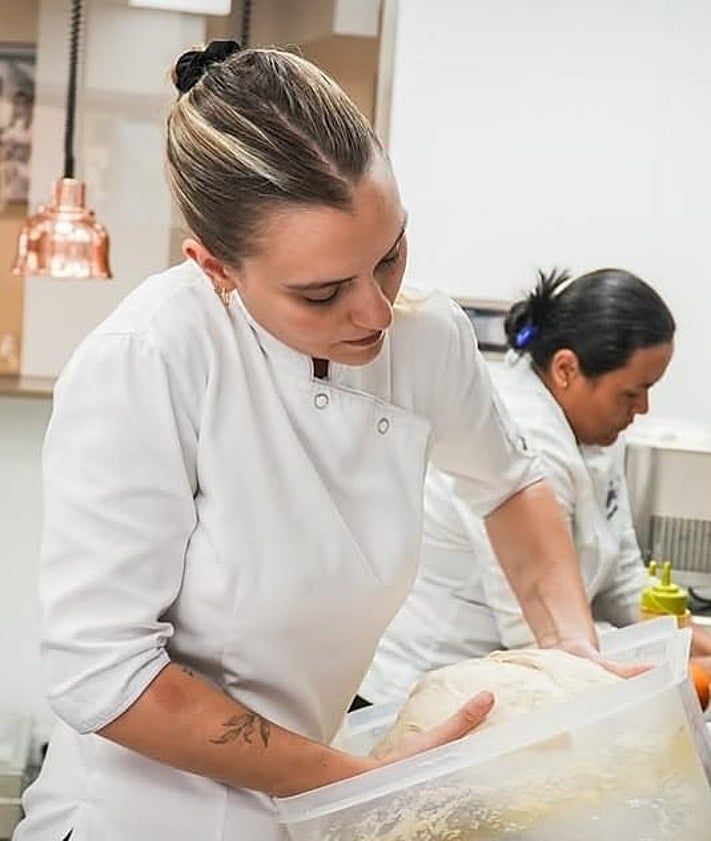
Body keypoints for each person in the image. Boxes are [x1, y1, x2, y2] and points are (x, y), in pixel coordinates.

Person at [16, 43, 610, 841]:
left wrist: (573, 661)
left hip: (307, 803)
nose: (373, 312)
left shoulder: (424, 335)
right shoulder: (152, 359)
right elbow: (105, 676)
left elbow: (506, 484)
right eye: (321, 292)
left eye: (390, 254)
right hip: (142, 819)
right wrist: (357, 784)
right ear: (215, 267)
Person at [360, 268, 711, 707]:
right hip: (431, 687)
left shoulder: (592, 435)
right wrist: (673, 662)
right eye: (632, 392)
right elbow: (533, 631)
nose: (643, 408)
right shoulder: (519, 433)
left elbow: (621, 578)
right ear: (566, 369)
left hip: (537, 661)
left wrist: (687, 636)